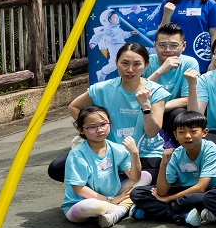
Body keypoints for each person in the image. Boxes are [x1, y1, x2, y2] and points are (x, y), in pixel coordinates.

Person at [54, 42, 169, 185]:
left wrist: (145, 106)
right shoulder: (103, 88)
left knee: (144, 179)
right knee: (56, 168)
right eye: (125, 63)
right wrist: (92, 130)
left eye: (137, 64)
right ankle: (116, 190)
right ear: (116, 62)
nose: (130, 69)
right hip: (108, 152)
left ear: (146, 65)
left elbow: (152, 132)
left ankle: (111, 191)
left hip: (145, 154)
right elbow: (74, 106)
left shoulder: (155, 91)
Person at [132, 109, 216, 225]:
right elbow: (161, 192)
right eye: (182, 132)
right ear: (175, 135)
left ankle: (158, 211)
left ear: (204, 132)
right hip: (185, 190)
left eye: (193, 131)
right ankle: (179, 216)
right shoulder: (177, 153)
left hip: (211, 190)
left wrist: (169, 199)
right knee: (138, 193)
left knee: (196, 199)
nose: (187, 136)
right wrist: (163, 164)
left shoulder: (210, 149)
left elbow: (201, 187)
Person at [61, 106, 139, 228]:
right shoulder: (77, 154)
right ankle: (122, 209)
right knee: (92, 205)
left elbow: (135, 176)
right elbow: (79, 189)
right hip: (80, 204)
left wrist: (134, 153)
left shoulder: (116, 149)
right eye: (92, 127)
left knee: (145, 176)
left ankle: (115, 212)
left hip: (114, 196)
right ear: (81, 129)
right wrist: (109, 200)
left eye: (103, 124)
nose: (100, 130)